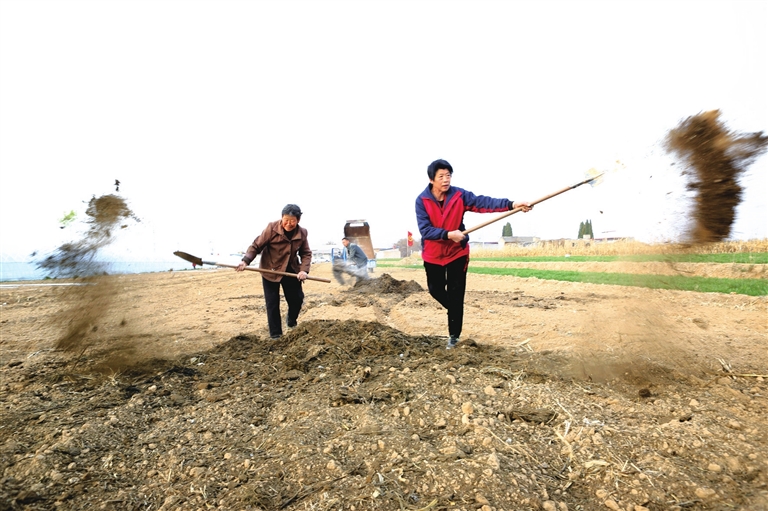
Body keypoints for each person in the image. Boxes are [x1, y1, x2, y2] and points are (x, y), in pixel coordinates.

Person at [415, 159, 533, 349]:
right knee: (436, 290)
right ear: (431, 179)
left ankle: (454, 337)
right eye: (441, 176)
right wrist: (448, 234)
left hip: (457, 253)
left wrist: (512, 204)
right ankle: (455, 310)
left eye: (448, 175)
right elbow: (425, 230)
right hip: (433, 255)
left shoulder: (459, 195)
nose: (446, 180)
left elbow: (484, 203)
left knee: (456, 294)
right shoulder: (422, 201)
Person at [236, 204, 311, 339]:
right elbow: (256, 246)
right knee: (272, 303)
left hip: (290, 270)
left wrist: (303, 271)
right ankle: (276, 335)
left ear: (298, 220)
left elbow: (305, 253)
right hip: (270, 270)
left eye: (292, 221)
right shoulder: (271, 228)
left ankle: (291, 319)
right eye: (286, 220)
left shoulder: (302, 233)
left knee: (297, 300)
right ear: (282, 218)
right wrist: (245, 261)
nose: (289, 224)